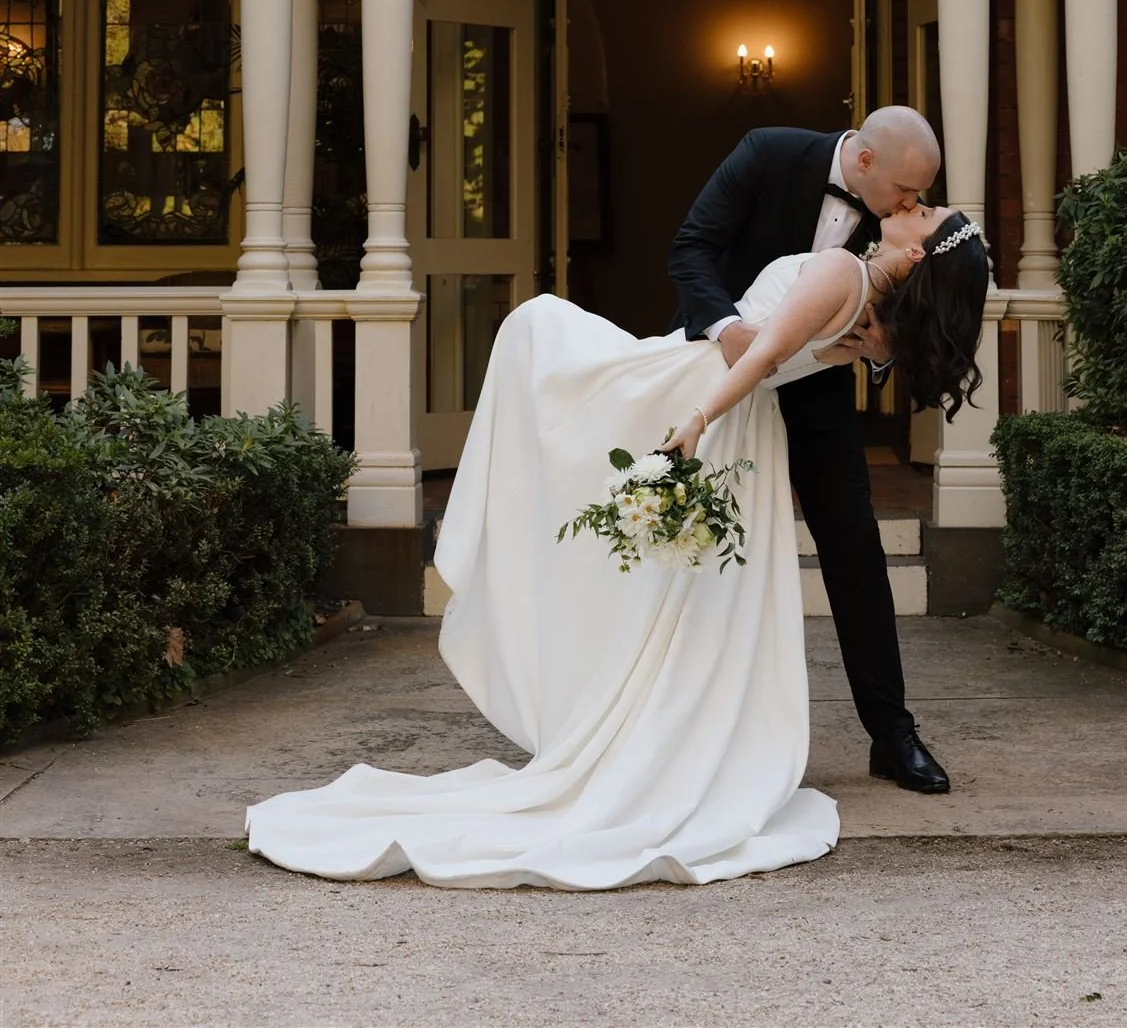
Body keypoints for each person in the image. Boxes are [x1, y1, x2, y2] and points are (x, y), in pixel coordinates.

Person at [246, 204, 988, 891]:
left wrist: (696, 419)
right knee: (680, 594)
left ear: (917, 252)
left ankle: (641, 736)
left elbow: (761, 356)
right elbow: (792, 357)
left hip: (705, 395)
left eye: (923, 211)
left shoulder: (841, 271)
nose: (908, 204)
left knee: (537, 325)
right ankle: (664, 739)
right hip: (749, 430)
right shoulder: (875, 323)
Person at [668, 109, 953, 793]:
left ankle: (893, 734)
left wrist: (878, 353)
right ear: (864, 161)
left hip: (817, 388)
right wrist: (728, 329)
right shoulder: (767, 152)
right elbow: (692, 248)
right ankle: (686, 731)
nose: (910, 205)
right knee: (698, 549)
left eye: (919, 196)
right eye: (905, 191)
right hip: (721, 375)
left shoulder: (897, 225)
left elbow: (901, 318)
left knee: (855, 549)